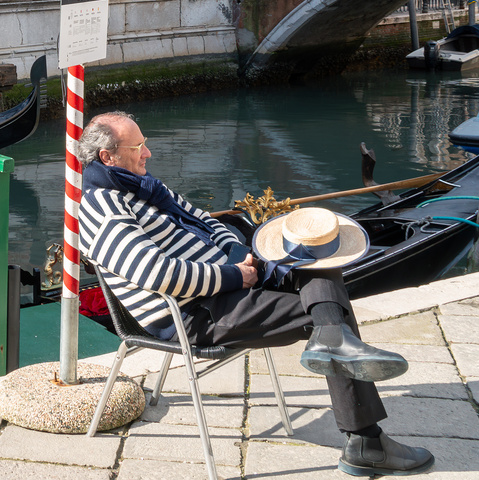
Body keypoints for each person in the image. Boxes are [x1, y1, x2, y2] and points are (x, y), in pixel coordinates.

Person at [78, 112, 433, 476]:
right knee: (329, 311)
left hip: (228, 282)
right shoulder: (103, 208)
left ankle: (334, 346)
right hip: (195, 314)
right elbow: (157, 274)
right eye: (138, 146)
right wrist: (234, 276)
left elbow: (207, 220)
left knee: (318, 260)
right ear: (108, 157)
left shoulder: (145, 187)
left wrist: (238, 255)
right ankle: (365, 440)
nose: (147, 153)